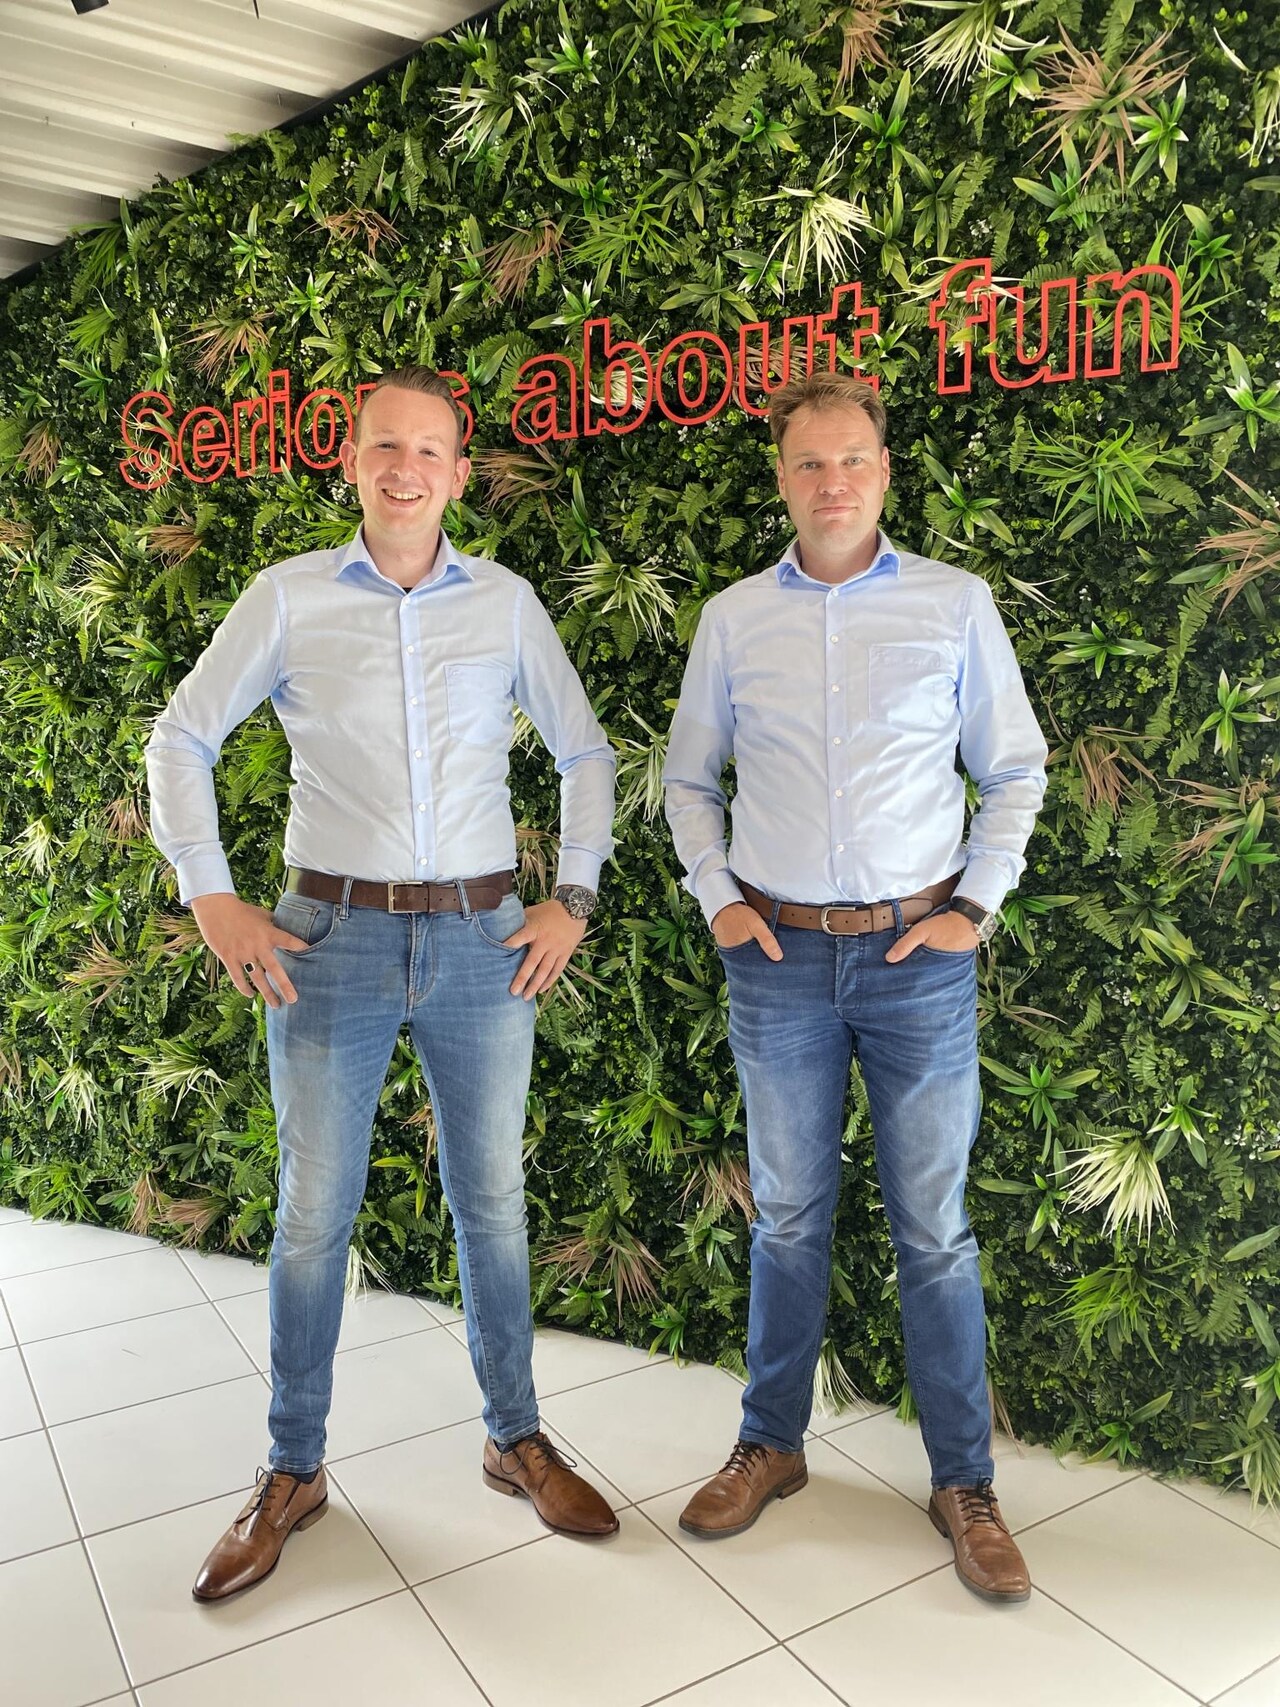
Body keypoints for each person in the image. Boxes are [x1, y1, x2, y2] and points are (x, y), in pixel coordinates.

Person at [147, 366, 619, 1603]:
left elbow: (583, 750)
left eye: (427, 450)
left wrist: (570, 898)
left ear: (459, 473)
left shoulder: (504, 604)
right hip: (329, 939)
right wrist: (210, 892)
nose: (404, 469)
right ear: (349, 462)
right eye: (381, 447)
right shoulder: (287, 598)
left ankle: (513, 1439)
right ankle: (291, 1469)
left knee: (492, 1204)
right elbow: (180, 736)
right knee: (313, 1214)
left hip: (480, 940)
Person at [662, 372, 1047, 1603]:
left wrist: (970, 909)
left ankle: (962, 1484)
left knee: (932, 1229)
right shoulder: (732, 619)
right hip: (774, 961)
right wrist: (718, 899)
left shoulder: (951, 603)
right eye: (809, 464)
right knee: (785, 1218)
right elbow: (687, 780)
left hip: (913, 962)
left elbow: (1014, 768)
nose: (832, 483)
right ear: (781, 479)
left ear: (883, 470)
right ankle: (769, 1445)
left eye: (852, 461)